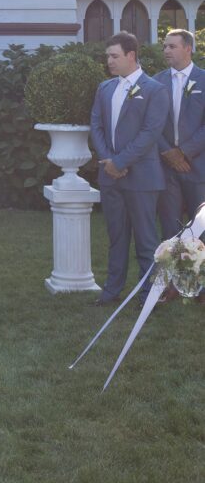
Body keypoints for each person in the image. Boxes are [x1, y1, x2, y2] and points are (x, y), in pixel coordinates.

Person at [89, 31, 168, 307]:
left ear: (131, 56)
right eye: (108, 56)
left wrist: (120, 162)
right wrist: (108, 161)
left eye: (114, 56)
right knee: (116, 237)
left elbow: (150, 133)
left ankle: (149, 295)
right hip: (110, 177)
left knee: (146, 240)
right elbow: (96, 126)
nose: (109, 61)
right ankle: (112, 291)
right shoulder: (104, 88)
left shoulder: (155, 90)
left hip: (142, 177)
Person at [155, 30, 205, 240]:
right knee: (170, 229)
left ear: (188, 48)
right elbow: (151, 124)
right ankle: (170, 272)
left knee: (201, 228)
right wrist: (168, 152)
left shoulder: (203, 80)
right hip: (167, 168)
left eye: (172, 46)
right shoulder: (156, 82)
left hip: (198, 165)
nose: (166, 50)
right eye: (165, 46)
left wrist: (183, 152)